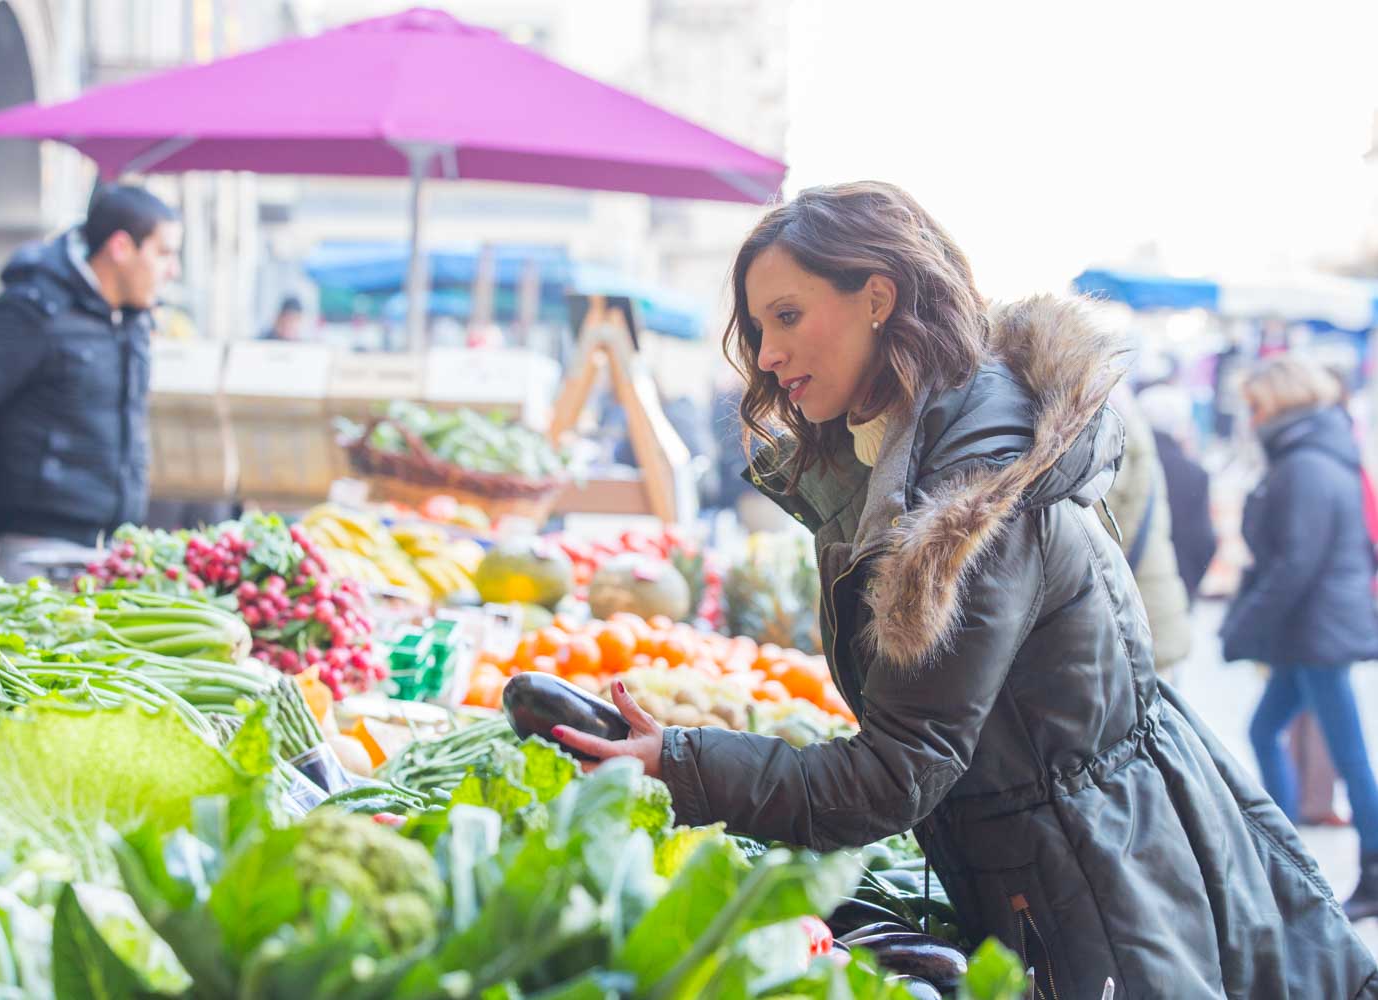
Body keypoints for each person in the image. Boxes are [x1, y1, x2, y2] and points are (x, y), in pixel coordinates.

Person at [555, 182, 1377, 997]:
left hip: (1095, 892)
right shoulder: (914, 451)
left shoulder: (972, 497)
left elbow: (896, 774)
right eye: (761, 326)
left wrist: (684, 763)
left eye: (788, 316)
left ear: (877, 297)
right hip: (1077, 859)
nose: (766, 355)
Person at [0, 184, 181, 594]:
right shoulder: (33, 311)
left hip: (113, 555)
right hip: (38, 560)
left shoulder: (132, 322)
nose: (172, 270)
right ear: (121, 247)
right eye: (163, 253)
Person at [1221, 355, 1378, 921]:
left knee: (1349, 753)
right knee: (1267, 729)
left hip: (1318, 631)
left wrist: (1242, 627)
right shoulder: (1313, 452)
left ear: (1280, 402)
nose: (1250, 416)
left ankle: (1367, 869)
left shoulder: (1305, 462)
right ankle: (1284, 858)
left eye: (1256, 404)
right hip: (1315, 627)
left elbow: (1294, 563)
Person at [1098, 386, 1193, 675]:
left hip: (1139, 613)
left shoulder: (1117, 447)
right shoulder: (1140, 443)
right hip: (1156, 604)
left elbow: (1106, 524)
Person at [1135, 383, 1217, 601]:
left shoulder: (1119, 463)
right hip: (1172, 584)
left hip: (1125, 581)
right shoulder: (1193, 473)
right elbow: (1204, 540)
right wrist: (1188, 586)